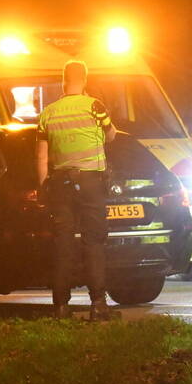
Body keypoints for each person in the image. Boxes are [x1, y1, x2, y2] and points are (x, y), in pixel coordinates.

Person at [36, 60, 117, 320]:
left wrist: (43, 187)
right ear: (85, 79)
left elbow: (40, 157)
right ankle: (98, 305)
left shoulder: (48, 113)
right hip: (91, 183)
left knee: (63, 244)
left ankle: (60, 306)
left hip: (61, 184)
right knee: (93, 242)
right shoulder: (95, 106)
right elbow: (112, 135)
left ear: (63, 80)